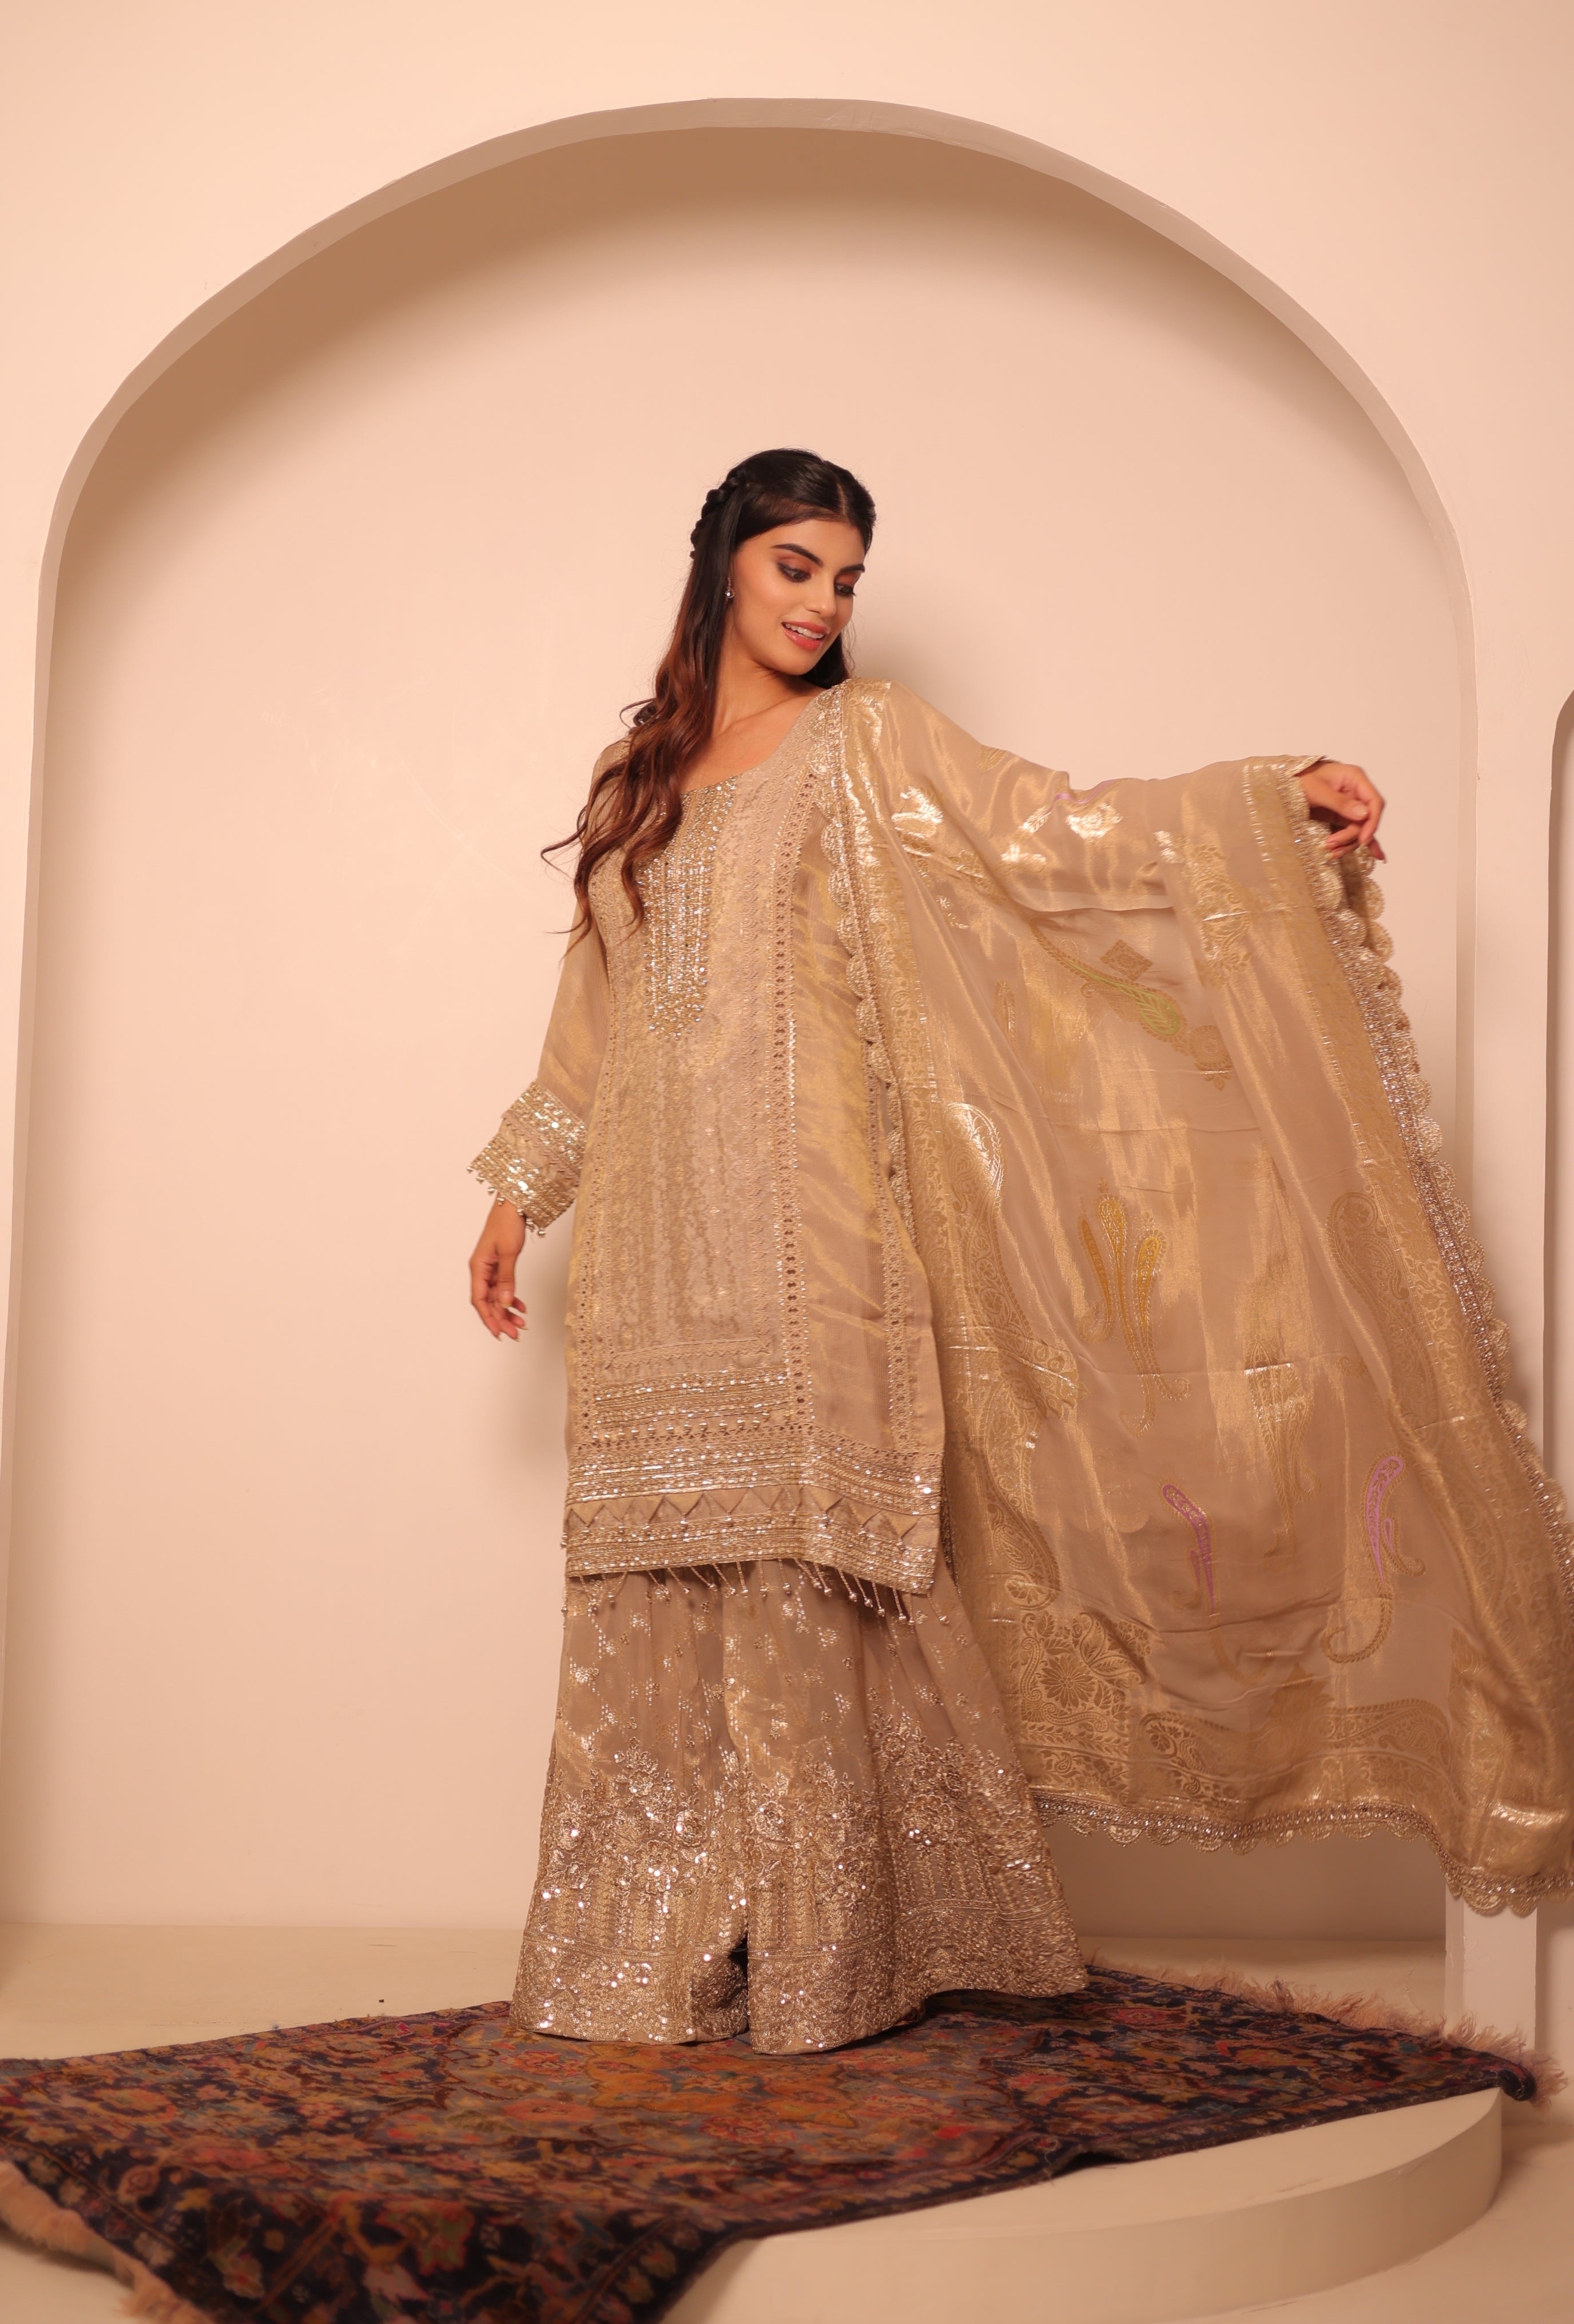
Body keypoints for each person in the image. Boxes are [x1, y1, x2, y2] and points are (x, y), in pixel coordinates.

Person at [468, 449, 1574, 2056]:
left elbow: (1053, 835)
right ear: (723, 568)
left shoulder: (866, 741)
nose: (822, 604)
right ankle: (647, 1948)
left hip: (811, 1224)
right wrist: (522, 1190)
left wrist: (1264, 801)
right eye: (795, 567)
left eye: (845, 578)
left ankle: (845, 1949)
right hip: (650, 1236)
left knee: (825, 1553)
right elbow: (596, 1013)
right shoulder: (634, 779)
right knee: (659, 1564)